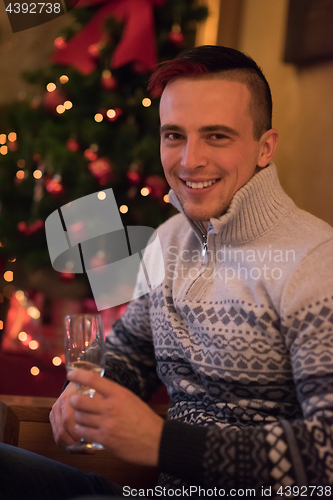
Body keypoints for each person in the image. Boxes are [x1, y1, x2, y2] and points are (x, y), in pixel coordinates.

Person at [1, 45, 333, 499]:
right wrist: (84, 395)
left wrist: (162, 443)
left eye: (217, 136)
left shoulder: (315, 262)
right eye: (174, 135)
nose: (188, 160)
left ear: (265, 147)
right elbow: (129, 352)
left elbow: (327, 455)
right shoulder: (170, 238)